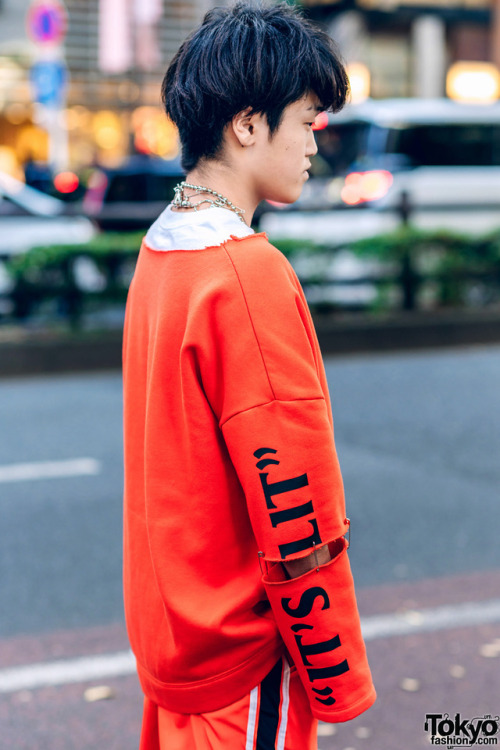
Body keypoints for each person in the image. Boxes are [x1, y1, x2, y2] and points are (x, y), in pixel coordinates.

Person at [122, 3, 376, 748]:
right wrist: (338, 676)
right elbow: (297, 497)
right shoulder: (246, 271)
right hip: (242, 658)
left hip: (174, 636)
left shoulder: (161, 254)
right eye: (305, 120)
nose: (313, 145)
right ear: (246, 123)